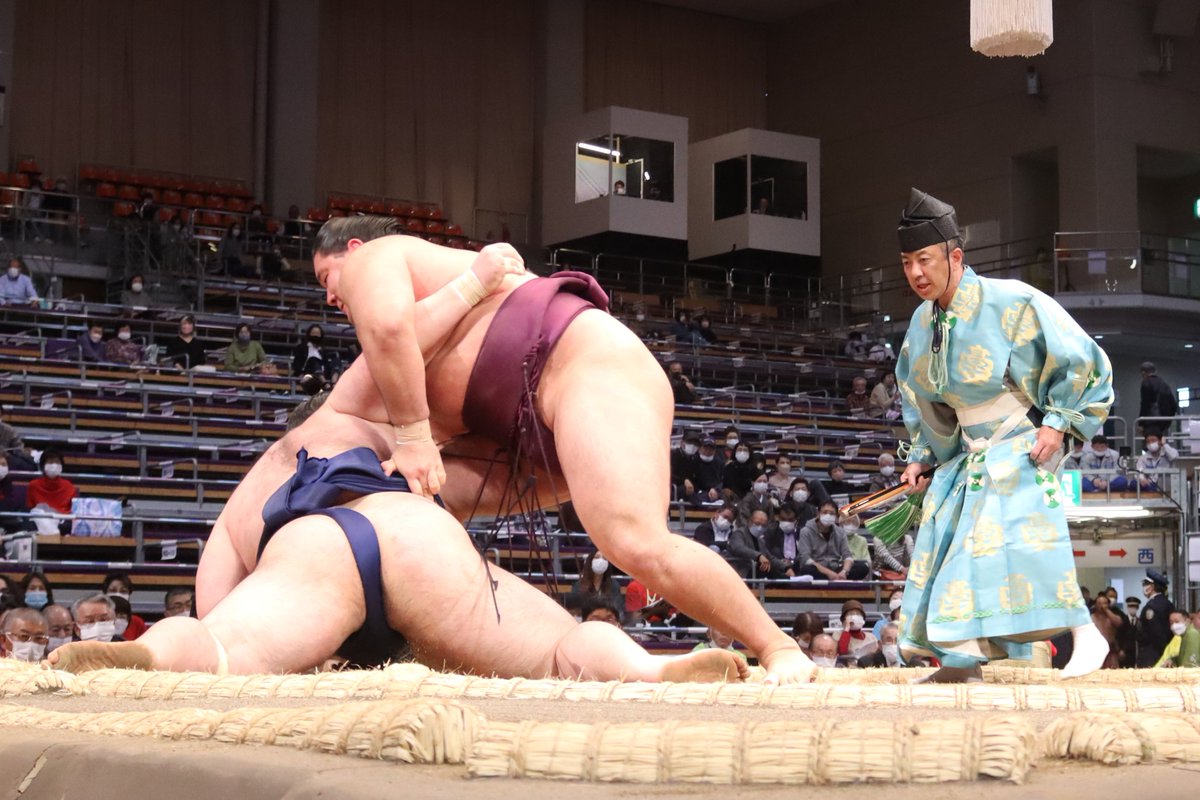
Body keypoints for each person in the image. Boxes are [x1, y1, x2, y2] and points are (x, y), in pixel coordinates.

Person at [181, 217, 813, 683]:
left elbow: (389, 330)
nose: (330, 297)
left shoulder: (380, 259)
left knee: (634, 541)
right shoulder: (389, 374)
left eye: (327, 278)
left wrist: (411, 434)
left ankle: (778, 647)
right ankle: (647, 667)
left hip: (578, 366)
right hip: (531, 430)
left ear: (352, 249)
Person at [49, 448, 751, 685]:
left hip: (312, 546)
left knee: (217, 647)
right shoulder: (390, 445)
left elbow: (213, 602)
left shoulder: (256, 489)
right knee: (559, 647)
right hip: (419, 535)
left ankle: (142, 654)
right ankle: (652, 669)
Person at [894, 188, 1114, 683]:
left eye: (924, 260)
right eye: (907, 263)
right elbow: (919, 396)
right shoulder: (919, 322)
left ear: (955, 256)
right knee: (955, 552)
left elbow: (1081, 359)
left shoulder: (1012, 301)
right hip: (967, 455)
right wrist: (922, 455)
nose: (915, 274)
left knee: (1025, 554)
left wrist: (1057, 422)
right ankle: (962, 660)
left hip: (1018, 447)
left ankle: (1087, 634)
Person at [796, 501, 870, 580]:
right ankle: (836, 581)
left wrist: (844, 571)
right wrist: (828, 573)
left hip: (835, 569)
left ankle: (837, 579)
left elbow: (847, 555)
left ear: (836, 517)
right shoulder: (806, 531)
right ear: (818, 514)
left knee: (862, 567)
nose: (828, 515)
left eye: (832, 513)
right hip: (817, 569)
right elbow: (805, 558)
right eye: (825, 512)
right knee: (807, 569)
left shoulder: (840, 532)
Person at [564, 550, 623, 620]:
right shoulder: (579, 585)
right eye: (597, 557)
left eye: (605, 559)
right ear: (590, 561)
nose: (601, 561)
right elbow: (574, 608)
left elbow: (618, 608)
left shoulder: (614, 585)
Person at [1136, 570, 1175, 667]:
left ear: (1152, 587)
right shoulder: (1167, 603)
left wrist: (1164, 654)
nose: (1144, 587)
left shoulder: (1152, 607)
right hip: (1162, 650)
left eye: (1146, 584)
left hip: (1152, 654)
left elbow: (1157, 633)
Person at [27, 450, 77, 516]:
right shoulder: (33, 485)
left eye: (57, 462)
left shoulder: (69, 486)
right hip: (39, 521)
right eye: (50, 462)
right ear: (43, 465)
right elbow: (30, 508)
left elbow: (72, 511)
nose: (54, 465)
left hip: (63, 522)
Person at [725, 509, 772, 579]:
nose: (759, 528)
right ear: (749, 521)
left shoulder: (760, 539)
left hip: (756, 571)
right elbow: (739, 548)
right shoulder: (739, 533)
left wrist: (785, 568)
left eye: (763, 525)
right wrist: (759, 556)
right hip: (740, 570)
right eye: (757, 523)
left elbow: (769, 557)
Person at [1138, 362, 1177, 436]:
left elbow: (1145, 404)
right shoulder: (1163, 383)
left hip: (1151, 421)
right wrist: (1168, 420)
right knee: (1161, 442)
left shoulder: (1146, 382)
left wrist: (1141, 422)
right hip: (1164, 421)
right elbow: (1173, 405)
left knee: (1151, 442)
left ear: (1143, 372)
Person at [1088, 592, 1124, 670]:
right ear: (1095, 605)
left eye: (1105, 603)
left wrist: (1106, 610)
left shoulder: (1113, 616)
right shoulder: (1091, 618)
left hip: (1111, 652)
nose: (1102, 605)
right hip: (1096, 652)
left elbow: (1119, 623)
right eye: (1099, 603)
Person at [763, 506, 801, 578]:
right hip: (778, 566)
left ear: (797, 520)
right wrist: (782, 563)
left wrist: (792, 562)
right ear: (778, 518)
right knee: (775, 551)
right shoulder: (771, 531)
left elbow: (804, 553)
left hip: (796, 565)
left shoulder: (802, 533)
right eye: (783, 519)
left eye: (790, 520)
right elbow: (766, 552)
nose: (786, 523)